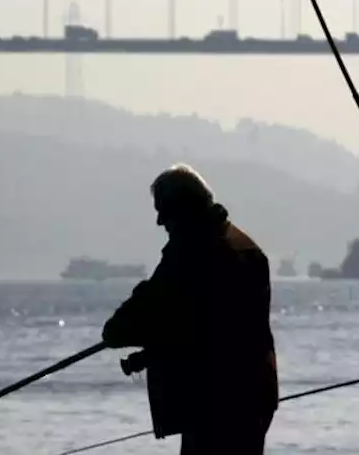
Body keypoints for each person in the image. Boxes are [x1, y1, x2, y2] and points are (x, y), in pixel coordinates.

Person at [102, 164, 278, 455]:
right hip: (255, 396)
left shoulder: (193, 253)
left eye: (163, 210)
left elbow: (124, 327)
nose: (159, 221)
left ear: (184, 207)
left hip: (214, 404)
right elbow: (205, 326)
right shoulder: (246, 247)